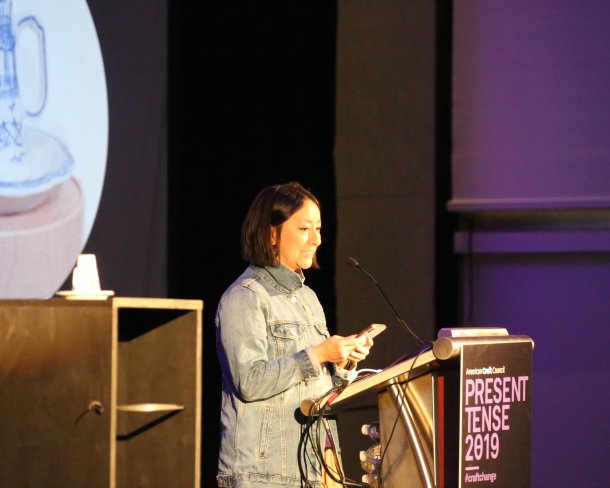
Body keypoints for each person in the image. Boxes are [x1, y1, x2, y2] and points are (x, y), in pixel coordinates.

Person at [216, 182, 374, 487]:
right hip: (264, 474)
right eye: (304, 228)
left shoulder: (308, 299)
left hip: (314, 468)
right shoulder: (244, 297)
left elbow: (318, 385)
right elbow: (249, 381)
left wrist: (342, 362)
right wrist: (318, 355)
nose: (316, 239)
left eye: (318, 228)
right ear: (272, 233)